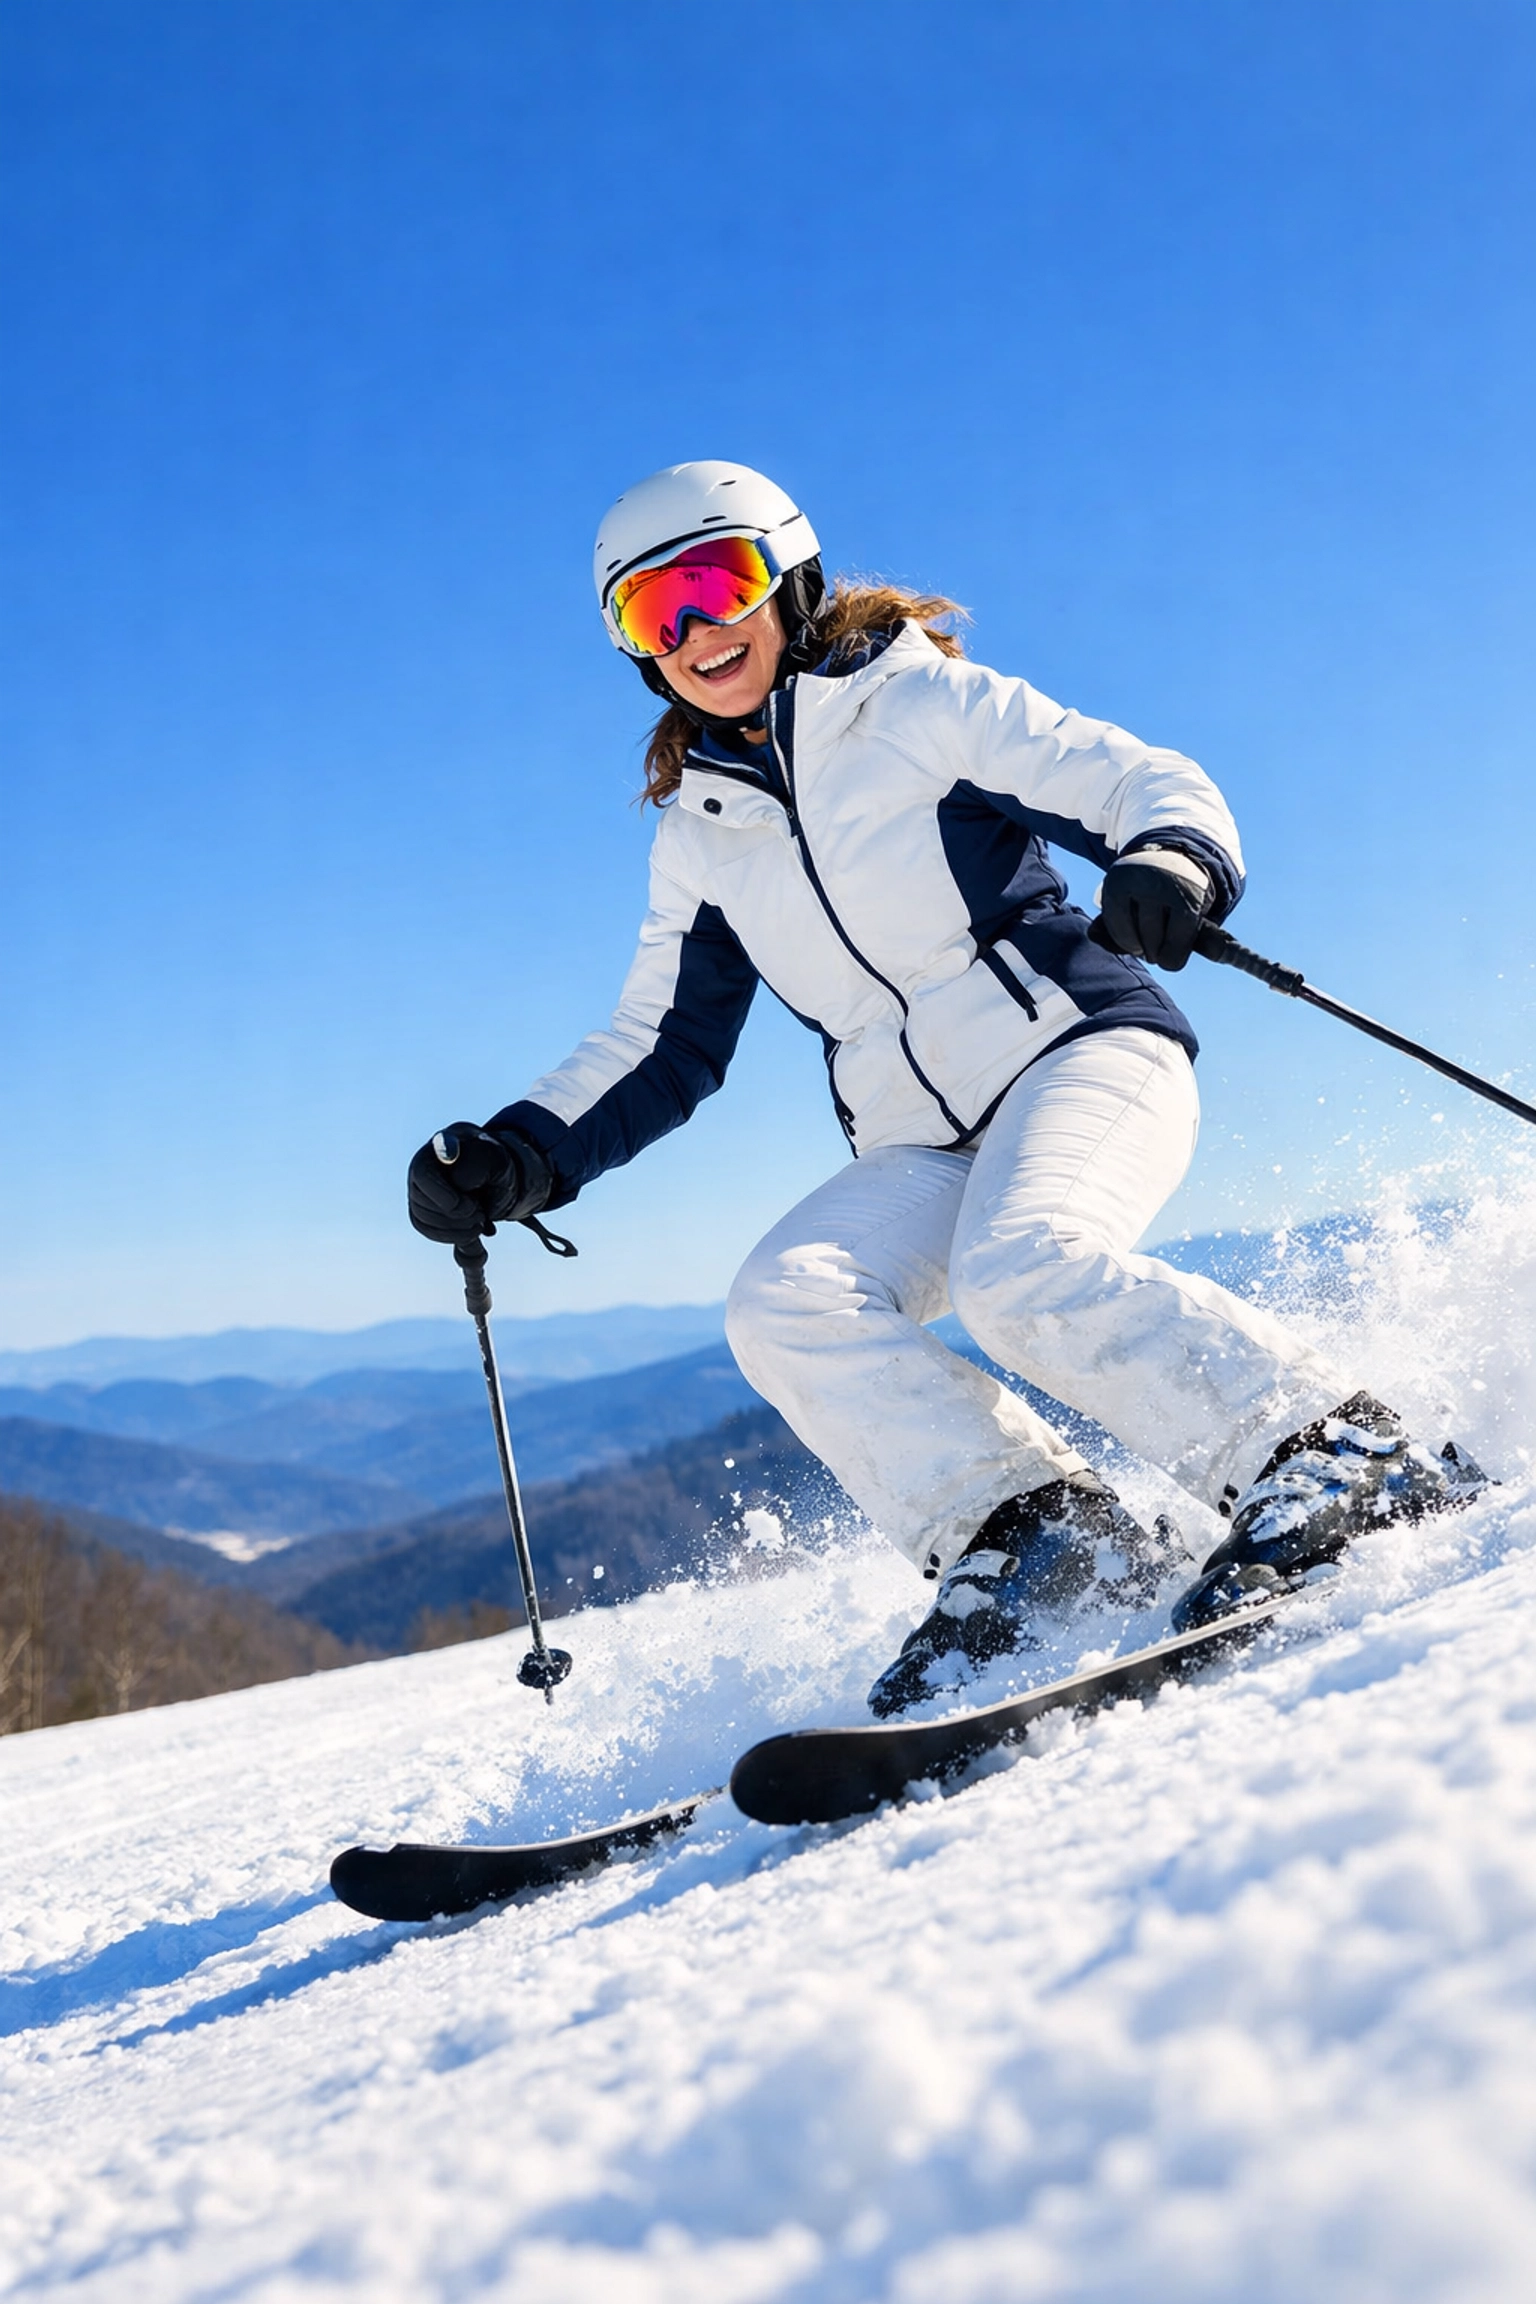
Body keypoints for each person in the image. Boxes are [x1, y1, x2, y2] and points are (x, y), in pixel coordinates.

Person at [408, 461, 1483, 1716]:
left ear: (790, 579)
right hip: (921, 1143)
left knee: (1021, 1267)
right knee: (783, 1301)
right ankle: (1040, 1535)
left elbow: (1134, 777)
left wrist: (1172, 859)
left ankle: (1331, 1451)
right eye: (654, 612)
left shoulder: (915, 703)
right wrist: (521, 1152)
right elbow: (662, 1042)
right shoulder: (702, 833)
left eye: (719, 582)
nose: (698, 629)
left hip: (1083, 1052)